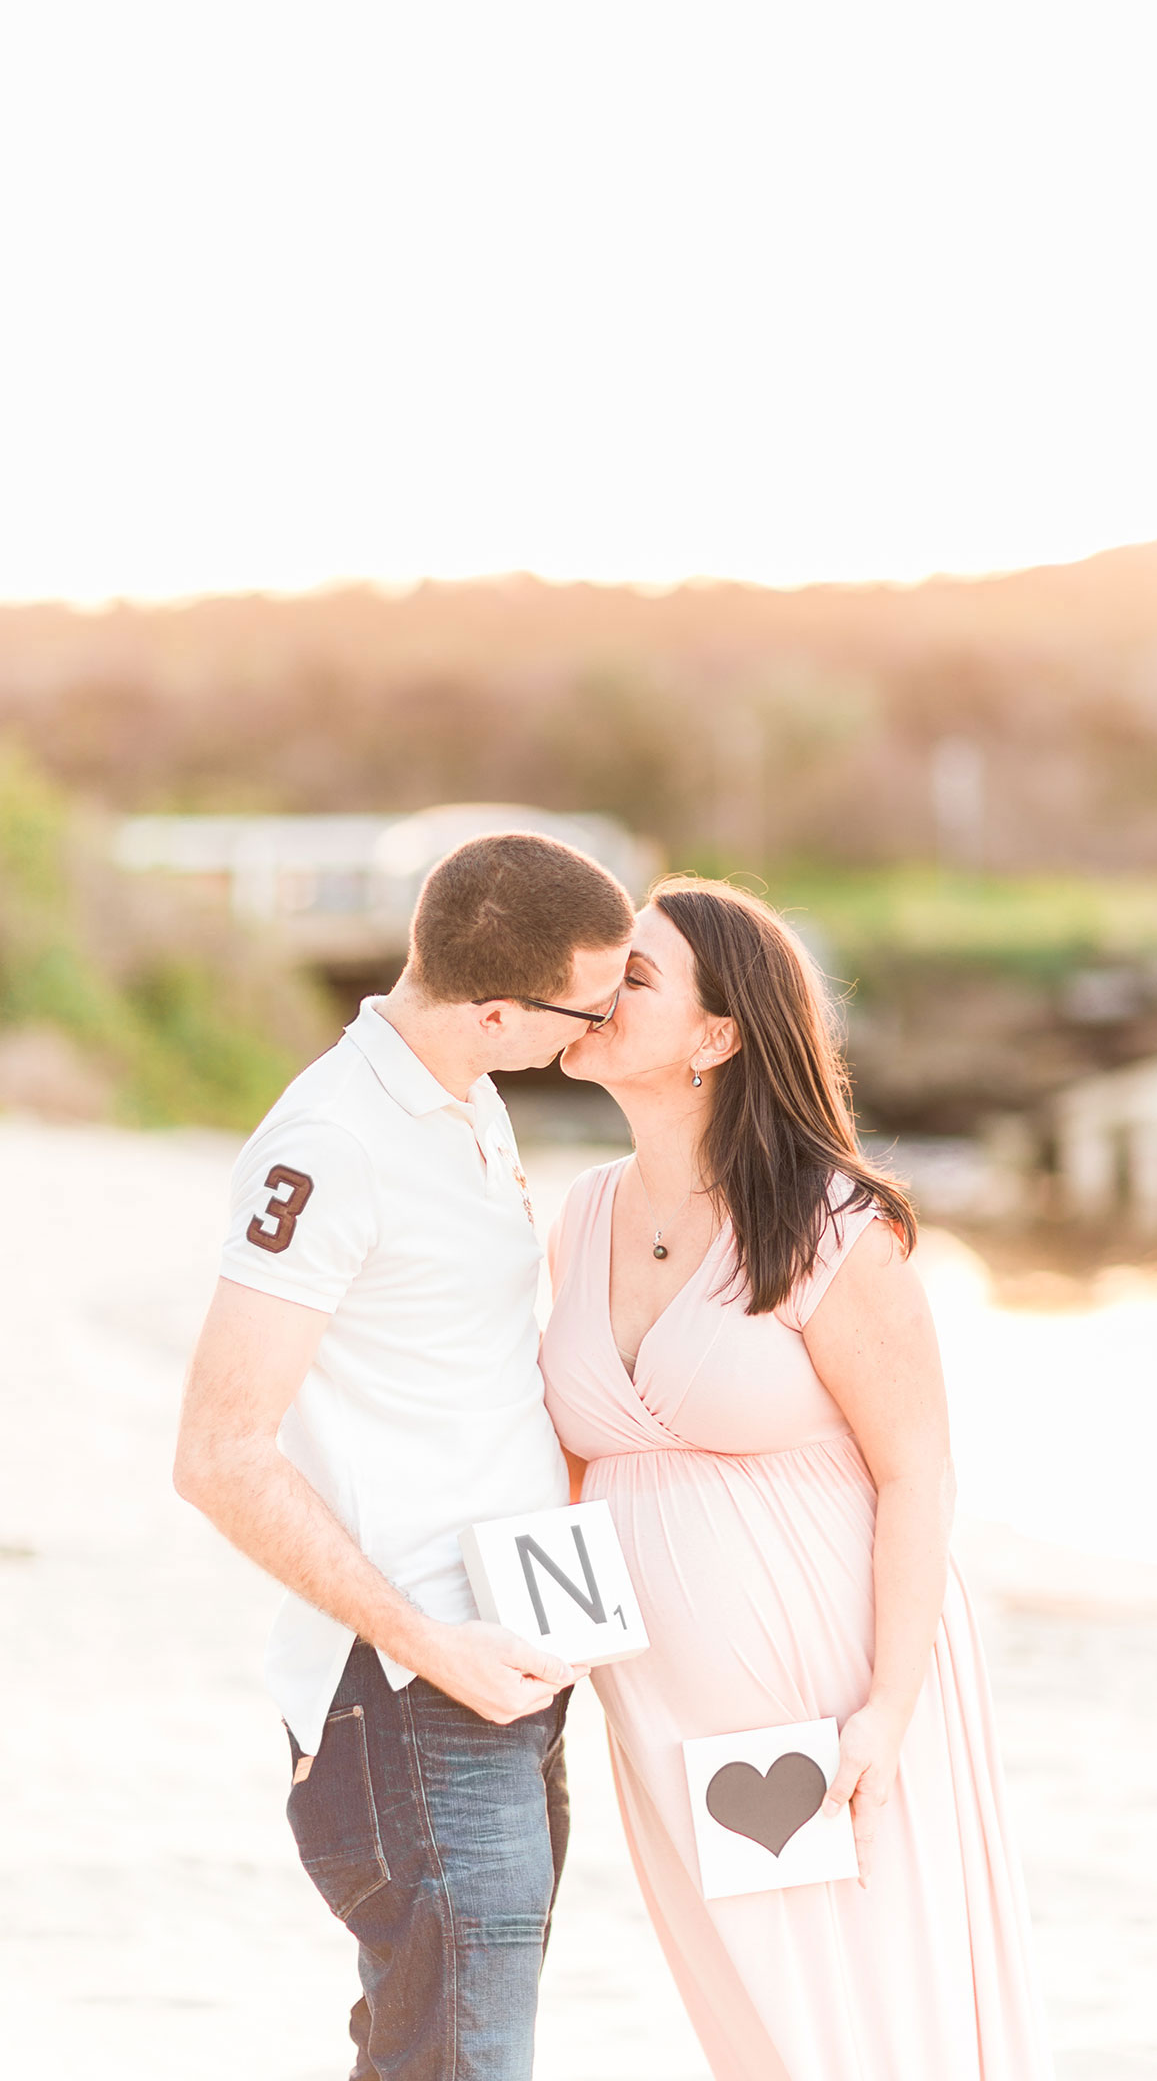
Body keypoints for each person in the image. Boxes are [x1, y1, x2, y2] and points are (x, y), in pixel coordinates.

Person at [540, 876, 1054, 2081]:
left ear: (716, 1038)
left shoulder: (831, 1225)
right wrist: (557, 1656)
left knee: (868, 2024)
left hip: (831, 1692)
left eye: (639, 976)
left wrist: (883, 1709)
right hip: (662, 1711)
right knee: (755, 2026)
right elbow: (564, 1467)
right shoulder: (579, 1215)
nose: (598, 990)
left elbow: (919, 1473)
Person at [174, 831, 634, 2081]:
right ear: (498, 1011)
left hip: (506, 1651)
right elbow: (218, 1454)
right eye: (588, 1010)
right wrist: (433, 1646)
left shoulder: (464, 1097)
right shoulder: (328, 1144)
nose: (596, 1034)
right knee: (465, 2058)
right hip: (414, 1681)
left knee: (434, 2049)